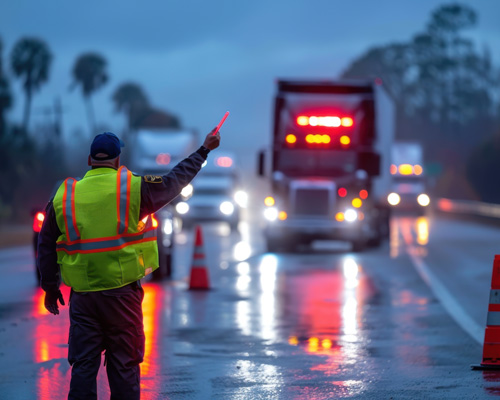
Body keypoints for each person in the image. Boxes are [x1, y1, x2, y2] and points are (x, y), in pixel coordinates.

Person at [37, 128, 220, 399]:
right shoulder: (133, 188)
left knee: (84, 367)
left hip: (84, 298)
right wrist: (203, 150)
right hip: (122, 296)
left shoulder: (66, 196)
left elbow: (46, 243)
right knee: (124, 367)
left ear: (90, 160)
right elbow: (175, 180)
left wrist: (50, 288)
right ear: (117, 161)